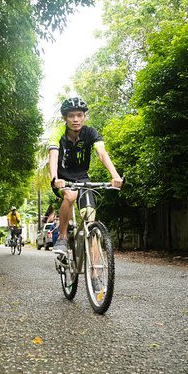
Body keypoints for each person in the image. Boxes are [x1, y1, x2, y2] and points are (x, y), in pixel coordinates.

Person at [48, 97, 123, 256]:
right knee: (70, 195)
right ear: (65, 118)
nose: (76, 119)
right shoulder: (58, 133)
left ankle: (95, 273)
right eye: (71, 116)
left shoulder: (90, 132)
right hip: (63, 179)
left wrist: (115, 176)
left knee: (90, 220)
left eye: (80, 115)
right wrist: (55, 178)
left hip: (82, 178)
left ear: (84, 116)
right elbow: (53, 155)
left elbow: (102, 153)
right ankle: (62, 236)